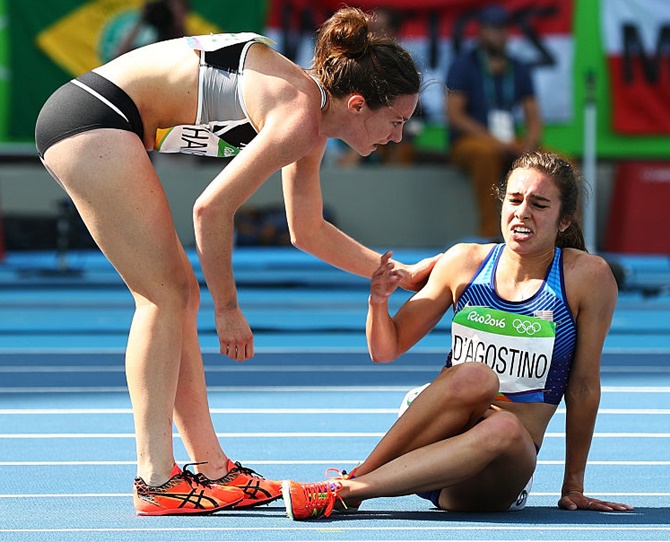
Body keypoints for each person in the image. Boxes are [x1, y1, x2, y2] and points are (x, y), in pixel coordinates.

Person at [34, 6, 438, 516]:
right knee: (166, 295)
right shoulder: (298, 115)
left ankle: (213, 470)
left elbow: (307, 229)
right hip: (92, 118)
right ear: (358, 104)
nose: (398, 136)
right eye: (396, 121)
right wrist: (228, 308)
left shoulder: (311, 119)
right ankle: (156, 478)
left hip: (103, 120)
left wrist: (393, 274)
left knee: (176, 293)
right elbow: (211, 208)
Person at [282, 151, 635, 520]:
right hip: (433, 437)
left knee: (505, 427)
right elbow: (386, 350)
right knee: (475, 376)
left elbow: (582, 387)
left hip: (497, 468)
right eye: (514, 200)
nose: (523, 212)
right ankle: (354, 481)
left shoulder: (587, 278)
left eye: (539, 204)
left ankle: (350, 490)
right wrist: (378, 302)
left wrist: (573, 488)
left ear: (564, 221)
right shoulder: (464, 261)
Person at [446, 4, 542, 240]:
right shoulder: (463, 65)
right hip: (471, 142)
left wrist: (529, 145)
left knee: (557, 165)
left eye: (503, 29)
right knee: (486, 155)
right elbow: (454, 115)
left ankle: (564, 238)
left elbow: (533, 117)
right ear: (481, 32)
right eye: (492, 29)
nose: (499, 35)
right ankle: (491, 235)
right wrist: (494, 141)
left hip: (510, 141)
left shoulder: (518, 67)